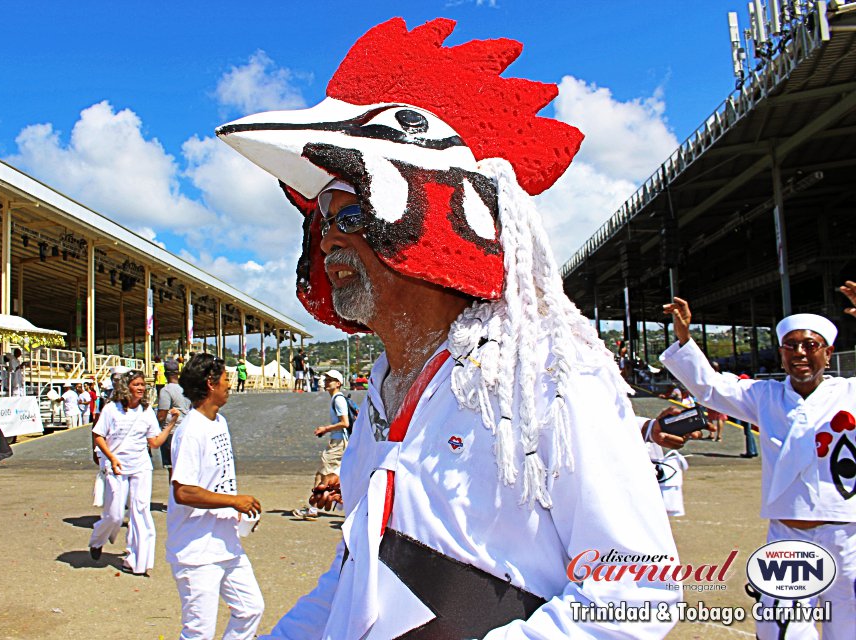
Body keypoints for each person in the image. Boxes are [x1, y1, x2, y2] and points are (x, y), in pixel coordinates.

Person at [216, 18, 679, 637]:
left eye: (350, 210)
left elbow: (637, 593)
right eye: (322, 218)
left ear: (429, 212)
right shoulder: (378, 398)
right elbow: (355, 579)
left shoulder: (546, 384)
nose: (328, 237)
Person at [661, 295, 856, 639]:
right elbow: (710, 388)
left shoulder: (850, 392)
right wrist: (684, 339)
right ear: (780, 353)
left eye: (810, 345)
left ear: (828, 352)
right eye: (789, 346)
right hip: (788, 535)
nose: (799, 353)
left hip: (848, 537)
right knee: (782, 629)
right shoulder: (764, 396)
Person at [167, 353, 264, 640]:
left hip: (225, 541)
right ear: (210, 384)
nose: (229, 384)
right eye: (225, 378)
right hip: (196, 550)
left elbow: (216, 482)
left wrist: (237, 511)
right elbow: (183, 490)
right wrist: (234, 501)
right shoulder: (190, 431)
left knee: (250, 609)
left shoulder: (219, 422)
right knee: (199, 632)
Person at [88, 369, 176, 575]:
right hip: (116, 466)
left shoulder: (146, 412)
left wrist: (170, 425)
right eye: (136, 385)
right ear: (126, 387)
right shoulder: (111, 409)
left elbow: (154, 443)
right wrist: (111, 458)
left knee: (141, 511)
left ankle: (138, 561)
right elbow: (98, 435)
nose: (141, 388)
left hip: (141, 466)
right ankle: (97, 540)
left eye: (143, 385)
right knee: (115, 515)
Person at [292, 370, 350, 521]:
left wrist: (325, 429)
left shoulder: (338, 399)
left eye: (330, 379)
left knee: (322, 473)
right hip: (339, 441)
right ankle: (343, 505)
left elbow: (345, 423)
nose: (326, 381)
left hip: (339, 443)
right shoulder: (337, 399)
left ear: (338, 383)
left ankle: (313, 508)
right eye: (326, 379)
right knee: (335, 475)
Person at [156, 361, 192, 480]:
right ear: (178, 373)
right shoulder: (186, 389)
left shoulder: (165, 391)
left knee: (172, 468)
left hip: (171, 432)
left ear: (166, 374)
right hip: (185, 430)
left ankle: (174, 495)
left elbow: (162, 414)